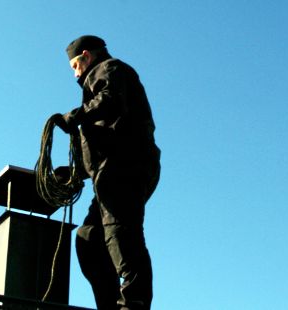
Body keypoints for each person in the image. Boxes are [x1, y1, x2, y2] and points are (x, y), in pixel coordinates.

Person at [56, 35, 161, 310]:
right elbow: (102, 136)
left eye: (75, 67)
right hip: (109, 172)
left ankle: (133, 303)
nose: (75, 74)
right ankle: (111, 305)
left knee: (121, 235)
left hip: (126, 167)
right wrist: (75, 173)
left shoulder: (110, 69)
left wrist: (76, 116)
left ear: (86, 56)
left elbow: (110, 101)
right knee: (89, 238)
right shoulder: (97, 83)